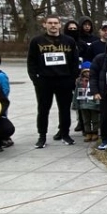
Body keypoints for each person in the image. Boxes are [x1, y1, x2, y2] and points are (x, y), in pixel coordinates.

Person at [27, 15, 80, 148]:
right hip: (44, 81)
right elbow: (31, 62)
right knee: (43, 109)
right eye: (50, 23)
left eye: (56, 23)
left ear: (60, 25)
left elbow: (75, 61)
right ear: (44, 25)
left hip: (64, 80)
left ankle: (65, 134)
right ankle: (42, 136)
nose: (53, 25)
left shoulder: (69, 41)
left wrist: (72, 78)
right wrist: (35, 79)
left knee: (64, 109)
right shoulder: (36, 41)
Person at [73, 62, 100, 142]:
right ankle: (88, 133)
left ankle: (95, 132)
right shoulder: (79, 81)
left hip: (93, 104)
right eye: (85, 72)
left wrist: (99, 102)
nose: (88, 73)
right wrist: (75, 103)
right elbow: (76, 92)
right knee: (86, 120)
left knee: (95, 119)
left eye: (89, 71)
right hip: (83, 104)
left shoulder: (96, 80)